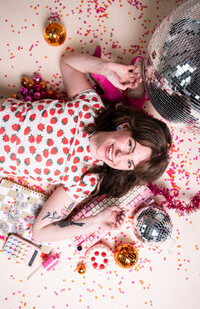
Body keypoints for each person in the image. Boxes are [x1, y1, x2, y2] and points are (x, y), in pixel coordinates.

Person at [0, 51, 172, 242]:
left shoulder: (85, 180)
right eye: (129, 145)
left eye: (129, 163)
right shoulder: (90, 107)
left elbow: (40, 232)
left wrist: (96, 221)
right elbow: (68, 63)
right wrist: (106, 68)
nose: (119, 156)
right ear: (125, 126)